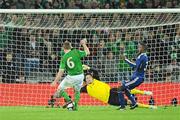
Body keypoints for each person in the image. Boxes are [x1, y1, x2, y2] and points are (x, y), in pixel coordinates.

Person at [80, 65, 156, 109]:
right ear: (85, 81)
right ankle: (149, 107)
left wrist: (88, 68)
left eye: (89, 77)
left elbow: (95, 71)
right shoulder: (86, 88)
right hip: (110, 100)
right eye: (87, 78)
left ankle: (144, 92)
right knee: (129, 102)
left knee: (125, 89)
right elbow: (77, 90)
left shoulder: (96, 80)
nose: (88, 79)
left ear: (92, 77)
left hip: (111, 91)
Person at [51, 39, 90, 111]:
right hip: (81, 76)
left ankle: (69, 101)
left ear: (63, 48)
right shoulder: (76, 52)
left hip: (71, 77)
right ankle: (75, 107)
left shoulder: (64, 58)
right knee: (77, 91)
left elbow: (61, 71)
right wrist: (84, 44)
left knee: (60, 89)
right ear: (70, 46)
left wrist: (55, 81)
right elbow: (87, 52)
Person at [117, 41, 148, 110]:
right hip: (137, 77)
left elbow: (135, 66)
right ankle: (134, 103)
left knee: (120, 88)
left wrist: (125, 59)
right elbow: (138, 65)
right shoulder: (144, 56)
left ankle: (123, 107)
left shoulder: (142, 56)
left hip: (138, 78)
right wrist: (134, 60)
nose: (138, 48)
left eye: (139, 46)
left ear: (143, 48)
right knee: (124, 88)